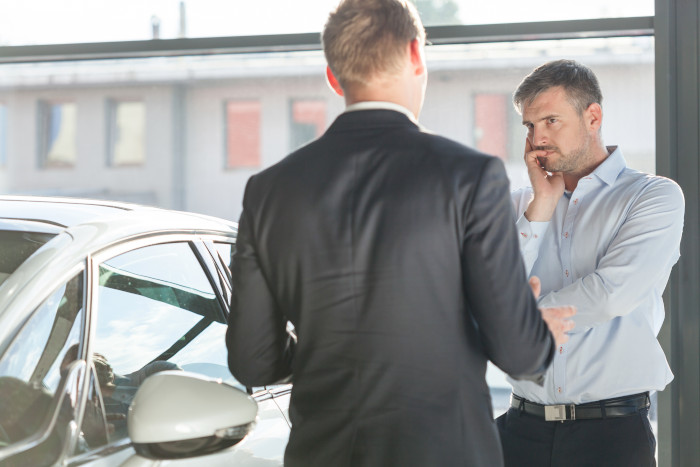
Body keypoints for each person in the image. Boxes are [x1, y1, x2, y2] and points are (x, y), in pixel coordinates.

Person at [226, 1, 574, 465]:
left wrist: (327, 352)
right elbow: (519, 353)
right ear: (416, 53)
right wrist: (534, 332)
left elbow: (253, 361)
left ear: (333, 77)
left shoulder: (267, 191)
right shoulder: (470, 175)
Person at [496, 59, 685, 466]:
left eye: (550, 120)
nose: (538, 137)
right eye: (530, 126)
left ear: (593, 116)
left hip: (611, 436)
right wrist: (541, 208)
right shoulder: (518, 204)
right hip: (519, 430)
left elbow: (609, 295)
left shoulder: (651, 197)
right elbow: (493, 289)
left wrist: (516, 321)